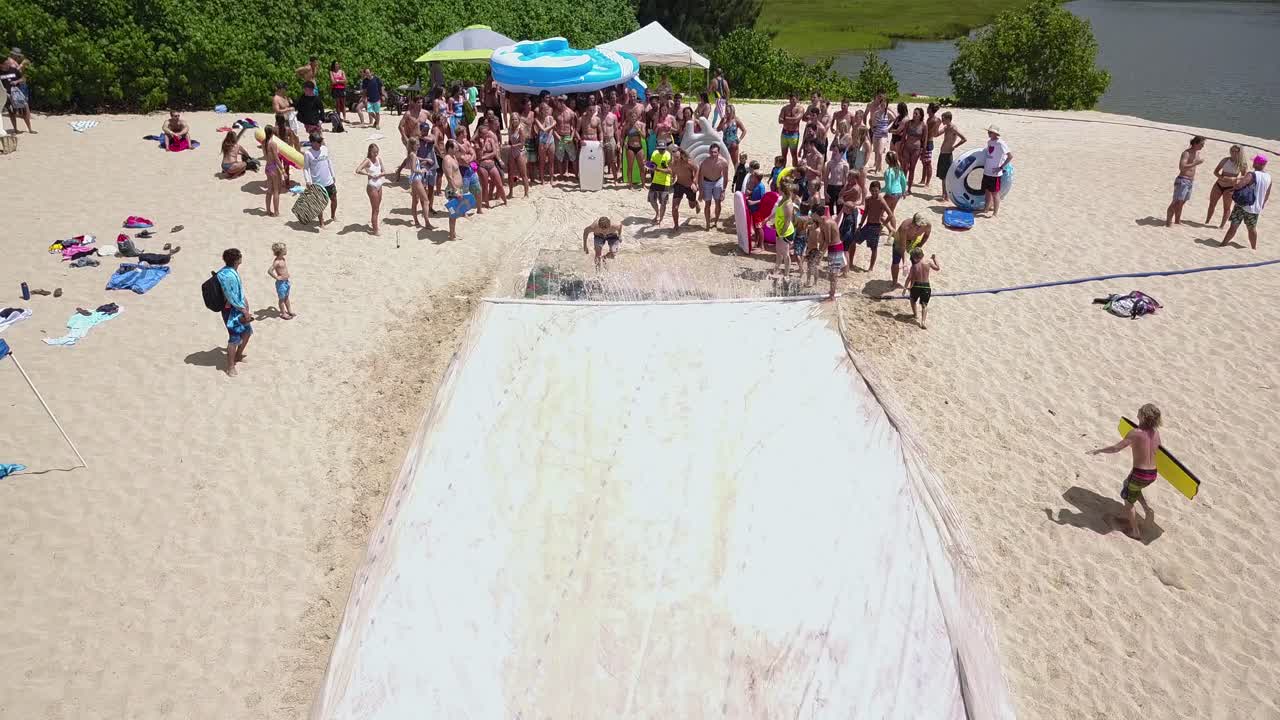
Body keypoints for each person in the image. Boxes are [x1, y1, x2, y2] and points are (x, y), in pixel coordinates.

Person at [1087, 403, 1163, 541]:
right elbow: (1157, 450)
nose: (1138, 411)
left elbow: (1116, 448)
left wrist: (1098, 450)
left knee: (1128, 502)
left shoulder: (1135, 433)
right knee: (1131, 485)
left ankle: (1135, 532)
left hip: (1139, 473)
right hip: (1152, 474)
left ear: (1143, 416)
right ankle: (1146, 508)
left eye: (1140, 410)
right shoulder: (1156, 433)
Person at [1221, 155, 1271, 250]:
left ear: (1257, 163)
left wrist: (1232, 186)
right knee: (1251, 229)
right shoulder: (1268, 177)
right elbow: (1267, 194)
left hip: (1242, 205)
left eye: (1254, 162)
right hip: (1255, 208)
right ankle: (1254, 248)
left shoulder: (1251, 174)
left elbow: (1240, 185)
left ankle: (1223, 244)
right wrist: (1261, 205)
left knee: (1233, 226)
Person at [216, 248, 253, 377]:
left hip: (239, 308)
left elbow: (238, 292)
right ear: (237, 260)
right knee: (234, 338)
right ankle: (230, 366)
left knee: (247, 332)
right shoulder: (228, 275)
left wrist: (245, 304)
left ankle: (238, 355)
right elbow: (231, 296)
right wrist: (243, 310)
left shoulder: (232, 271)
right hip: (231, 311)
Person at [855, 181, 895, 273]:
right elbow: (865, 212)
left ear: (879, 190)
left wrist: (883, 225)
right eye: (872, 191)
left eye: (876, 191)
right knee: (854, 240)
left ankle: (871, 267)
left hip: (876, 226)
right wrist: (860, 224)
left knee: (874, 248)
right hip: (868, 225)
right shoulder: (868, 199)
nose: (874, 193)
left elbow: (890, 215)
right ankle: (851, 263)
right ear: (869, 190)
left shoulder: (881, 201)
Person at [1165, 135, 1205, 226]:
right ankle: (1168, 222)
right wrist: (1195, 163)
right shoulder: (1186, 153)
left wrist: (1195, 163)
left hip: (1190, 181)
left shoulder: (1197, 153)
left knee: (1182, 202)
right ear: (1195, 143)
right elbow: (1182, 167)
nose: (1203, 146)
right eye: (1201, 144)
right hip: (1183, 180)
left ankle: (1177, 220)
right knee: (1176, 202)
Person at [1206, 144, 1247, 228]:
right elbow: (1215, 172)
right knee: (1212, 204)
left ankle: (1221, 226)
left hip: (1230, 188)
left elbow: (1244, 177)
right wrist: (1222, 177)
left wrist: (1234, 178)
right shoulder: (1225, 160)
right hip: (1219, 184)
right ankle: (1207, 221)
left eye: (1235, 151)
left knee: (1226, 208)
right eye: (1232, 150)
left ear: (1240, 152)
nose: (1233, 153)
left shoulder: (1242, 164)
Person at [302, 132, 338, 226]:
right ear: (313, 142)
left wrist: (333, 175)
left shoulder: (324, 149)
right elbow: (306, 168)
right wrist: (308, 181)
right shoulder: (308, 153)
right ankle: (321, 222)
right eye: (318, 142)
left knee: (334, 198)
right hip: (317, 183)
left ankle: (333, 216)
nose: (320, 144)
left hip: (329, 180)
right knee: (319, 203)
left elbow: (329, 162)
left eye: (320, 142)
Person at [891, 212, 931, 289]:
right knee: (896, 261)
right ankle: (894, 282)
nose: (919, 228)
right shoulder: (905, 227)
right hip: (900, 240)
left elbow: (926, 235)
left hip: (914, 240)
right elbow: (903, 247)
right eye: (917, 226)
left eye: (921, 226)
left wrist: (920, 245)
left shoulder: (927, 225)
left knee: (916, 263)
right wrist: (904, 262)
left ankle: (912, 285)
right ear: (913, 222)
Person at [354, 143, 387, 235]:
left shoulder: (379, 159)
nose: (376, 154)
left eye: (377, 152)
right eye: (374, 152)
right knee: (375, 209)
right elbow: (357, 170)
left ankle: (374, 225)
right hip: (372, 186)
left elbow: (384, 171)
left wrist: (380, 175)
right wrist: (368, 174)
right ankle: (375, 230)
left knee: (377, 208)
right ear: (370, 152)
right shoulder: (367, 161)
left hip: (379, 185)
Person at [981, 126, 1012, 217]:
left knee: (995, 193)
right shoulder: (989, 142)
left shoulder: (1001, 143)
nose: (989, 133)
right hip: (987, 171)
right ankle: (986, 208)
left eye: (991, 132)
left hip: (995, 173)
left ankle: (995, 212)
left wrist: (1001, 167)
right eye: (988, 132)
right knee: (987, 191)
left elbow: (1010, 156)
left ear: (995, 134)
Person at [903, 249, 939, 328]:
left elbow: (909, 278)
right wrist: (935, 258)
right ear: (922, 255)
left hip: (916, 285)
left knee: (912, 300)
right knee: (924, 305)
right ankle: (923, 322)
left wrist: (905, 289)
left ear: (915, 257)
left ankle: (915, 314)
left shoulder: (914, 266)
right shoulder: (928, 262)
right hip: (926, 286)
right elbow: (937, 268)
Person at [476, 117, 507, 209]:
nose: (486, 136)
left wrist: (485, 156)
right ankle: (487, 203)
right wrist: (481, 146)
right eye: (484, 134)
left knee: (499, 183)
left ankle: (505, 200)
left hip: (491, 164)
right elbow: (479, 156)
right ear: (480, 134)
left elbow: (494, 152)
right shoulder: (477, 143)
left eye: (486, 134)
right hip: (482, 166)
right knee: (485, 185)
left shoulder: (490, 140)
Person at [935, 112, 966, 202]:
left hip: (948, 154)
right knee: (942, 176)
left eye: (943, 119)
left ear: (948, 119)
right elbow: (936, 134)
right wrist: (938, 124)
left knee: (947, 176)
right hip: (942, 153)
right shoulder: (946, 127)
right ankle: (943, 194)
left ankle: (946, 196)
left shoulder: (953, 128)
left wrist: (955, 147)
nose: (942, 120)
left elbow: (964, 138)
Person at [1, 48, 33, 134]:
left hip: (17, 93)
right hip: (7, 94)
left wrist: (16, 81)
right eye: (6, 64)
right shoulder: (2, 71)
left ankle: (30, 129)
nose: (8, 65)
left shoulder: (13, 69)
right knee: (12, 113)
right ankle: (15, 129)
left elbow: (23, 78)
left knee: (24, 110)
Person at [699, 143, 730, 229]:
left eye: (715, 152)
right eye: (711, 152)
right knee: (707, 203)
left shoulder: (723, 162)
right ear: (709, 152)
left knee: (718, 202)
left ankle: (716, 220)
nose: (713, 154)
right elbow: (700, 177)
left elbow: (726, 177)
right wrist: (701, 191)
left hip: (718, 181)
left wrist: (723, 191)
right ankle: (708, 223)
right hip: (707, 182)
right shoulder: (704, 162)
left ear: (718, 152)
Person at [668, 147, 699, 230]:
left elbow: (697, 169)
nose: (676, 159)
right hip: (679, 185)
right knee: (675, 208)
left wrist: (694, 182)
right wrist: (672, 179)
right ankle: (676, 225)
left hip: (689, 185)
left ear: (681, 155)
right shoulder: (671, 164)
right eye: (674, 157)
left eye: (677, 157)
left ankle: (695, 203)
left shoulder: (687, 162)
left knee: (691, 206)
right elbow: (673, 173)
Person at [441, 140, 466, 241]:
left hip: (457, 188)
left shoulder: (454, 157)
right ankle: (451, 235)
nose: (457, 149)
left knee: (455, 213)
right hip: (452, 190)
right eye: (455, 148)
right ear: (450, 148)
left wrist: (457, 143)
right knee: (453, 213)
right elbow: (449, 177)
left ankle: (453, 232)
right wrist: (456, 191)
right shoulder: (447, 160)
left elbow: (463, 151)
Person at [506, 101, 531, 198]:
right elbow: (510, 141)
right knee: (510, 173)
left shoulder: (520, 129)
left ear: (518, 120)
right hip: (512, 151)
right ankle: (511, 192)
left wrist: (512, 146)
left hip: (519, 151)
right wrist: (509, 144)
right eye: (512, 119)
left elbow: (522, 143)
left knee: (523, 173)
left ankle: (526, 193)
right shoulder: (510, 129)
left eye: (515, 119)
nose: (514, 121)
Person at [816, 212, 844, 299]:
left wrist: (820, 255)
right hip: (833, 248)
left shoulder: (827, 223)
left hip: (836, 248)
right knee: (832, 272)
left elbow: (828, 240)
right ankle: (831, 292)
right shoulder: (824, 223)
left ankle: (832, 296)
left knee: (834, 273)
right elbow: (823, 239)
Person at [773, 182, 798, 277]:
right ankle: (776, 270)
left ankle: (786, 275)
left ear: (783, 190)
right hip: (779, 230)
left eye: (779, 189)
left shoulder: (788, 204)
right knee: (778, 252)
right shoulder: (781, 200)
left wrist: (781, 234)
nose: (777, 190)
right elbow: (778, 214)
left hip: (785, 232)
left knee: (785, 254)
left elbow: (787, 221)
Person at [648, 141, 674, 225]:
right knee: (651, 199)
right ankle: (657, 213)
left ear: (665, 149)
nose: (661, 151)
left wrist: (658, 169)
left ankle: (661, 218)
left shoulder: (668, 155)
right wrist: (648, 165)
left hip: (665, 182)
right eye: (659, 149)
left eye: (662, 149)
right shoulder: (655, 153)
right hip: (655, 180)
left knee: (663, 202)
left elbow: (670, 171)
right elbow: (652, 165)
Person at [267, 242, 295, 320]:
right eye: (285, 249)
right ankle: (283, 313)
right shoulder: (277, 262)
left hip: (286, 282)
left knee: (286, 297)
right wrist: (276, 277)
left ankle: (289, 311)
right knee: (282, 299)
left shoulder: (283, 259)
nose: (286, 250)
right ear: (280, 251)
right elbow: (269, 271)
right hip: (281, 283)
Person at [553, 96, 578, 182]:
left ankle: (576, 175)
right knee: (559, 157)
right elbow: (553, 127)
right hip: (559, 136)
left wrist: (571, 137)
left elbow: (574, 127)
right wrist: (557, 136)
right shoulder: (556, 113)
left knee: (573, 157)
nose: (557, 105)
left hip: (568, 136)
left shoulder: (571, 113)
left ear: (562, 103)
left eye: (558, 103)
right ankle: (561, 175)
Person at [902, 107, 927, 191]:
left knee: (912, 168)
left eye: (916, 113)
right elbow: (903, 136)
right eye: (914, 113)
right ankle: (902, 187)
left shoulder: (924, 125)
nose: (914, 115)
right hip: (907, 147)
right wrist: (901, 147)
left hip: (916, 149)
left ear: (920, 115)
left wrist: (923, 152)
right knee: (905, 167)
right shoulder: (908, 123)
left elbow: (924, 140)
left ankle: (909, 188)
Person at [261, 126, 283, 216]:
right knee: (276, 191)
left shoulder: (263, 142)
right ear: (272, 133)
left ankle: (268, 210)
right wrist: (283, 170)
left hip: (267, 167)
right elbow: (276, 159)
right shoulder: (273, 144)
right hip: (273, 167)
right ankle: (276, 211)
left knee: (269, 190)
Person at [867, 93, 892, 173]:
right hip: (876, 134)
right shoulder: (876, 113)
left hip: (883, 135)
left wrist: (888, 128)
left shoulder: (887, 113)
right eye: (882, 105)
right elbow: (870, 121)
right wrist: (872, 128)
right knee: (876, 152)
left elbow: (894, 119)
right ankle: (877, 167)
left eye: (884, 105)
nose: (883, 106)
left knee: (880, 152)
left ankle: (878, 168)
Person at [778, 94, 804, 168]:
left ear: (797, 99)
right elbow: (780, 120)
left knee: (794, 154)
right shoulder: (785, 108)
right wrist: (791, 120)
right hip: (785, 133)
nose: (792, 101)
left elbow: (796, 120)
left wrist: (785, 118)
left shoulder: (800, 109)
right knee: (784, 153)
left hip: (794, 134)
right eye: (791, 99)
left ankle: (795, 170)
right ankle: (782, 168)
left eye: (794, 99)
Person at [824, 148, 850, 216]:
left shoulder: (845, 165)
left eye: (836, 151)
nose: (834, 152)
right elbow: (826, 177)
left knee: (840, 210)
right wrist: (825, 191)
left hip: (840, 188)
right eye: (833, 151)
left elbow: (847, 180)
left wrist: (842, 194)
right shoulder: (830, 163)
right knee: (828, 210)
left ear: (841, 153)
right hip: (830, 186)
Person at [921, 103, 941, 189]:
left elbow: (933, 133)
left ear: (930, 109)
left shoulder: (934, 120)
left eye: (928, 108)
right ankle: (923, 179)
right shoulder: (931, 119)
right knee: (924, 162)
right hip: (926, 141)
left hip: (928, 142)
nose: (927, 109)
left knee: (927, 163)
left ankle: (927, 182)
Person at [537, 100, 556, 184]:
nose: (547, 111)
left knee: (551, 161)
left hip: (550, 140)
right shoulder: (537, 119)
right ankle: (542, 179)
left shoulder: (550, 118)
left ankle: (551, 179)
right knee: (542, 161)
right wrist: (553, 124)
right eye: (545, 109)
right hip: (542, 141)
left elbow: (551, 131)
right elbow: (543, 129)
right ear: (541, 110)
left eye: (547, 109)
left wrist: (548, 142)